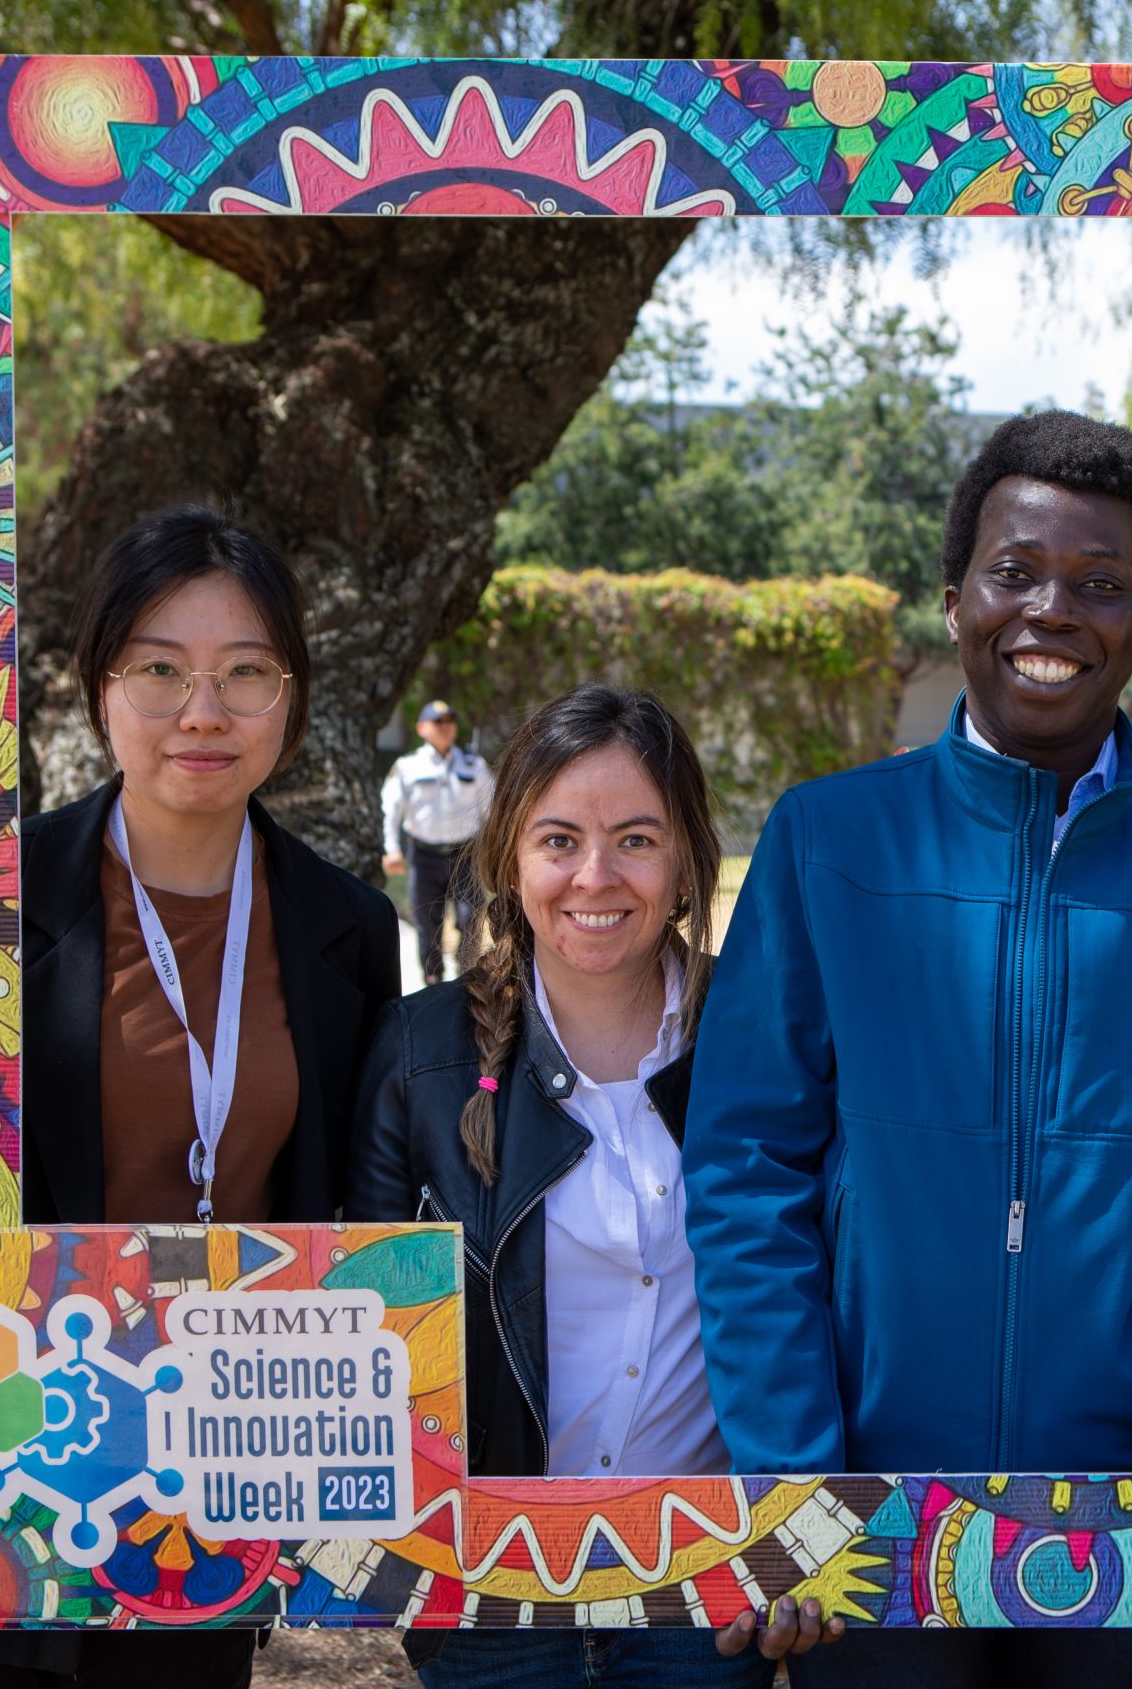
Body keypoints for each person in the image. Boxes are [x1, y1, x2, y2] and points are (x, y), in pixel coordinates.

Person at [682, 411, 1132, 1688]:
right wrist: (797, 1487)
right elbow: (747, 1177)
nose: (1050, 611)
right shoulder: (824, 842)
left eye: (1099, 587)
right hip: (870, 1528)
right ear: (956, 596)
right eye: (1014, 573)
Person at [0, 505, 403, 1687]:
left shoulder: (346, 931)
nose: (201, 711)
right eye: (159, 669)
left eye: (245, 674)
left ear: (292, 697)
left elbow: (342, 1223)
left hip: (180, 1519)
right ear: (99, 689)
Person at [349, 685, 835, 1686]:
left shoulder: (766, 1043)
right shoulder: (420, 1056)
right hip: (491, 1588)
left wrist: (800, 1531)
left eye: (637, 840)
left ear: (688, 860)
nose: (595, 876)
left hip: (703, 1584)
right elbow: (363, 1336)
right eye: (559, 839)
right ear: (509, 860)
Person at [382, 698, 495, 984]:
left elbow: (492, 810)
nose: (444, 728)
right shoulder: (408, 767)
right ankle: (433, 980)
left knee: (470, 919)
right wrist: (392, 848)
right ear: (422, 728)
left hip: (464, 855)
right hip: (424, 855)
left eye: (449, 722)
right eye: (437, 722)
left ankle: (466, 978)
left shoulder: (474, 765)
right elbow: (391, 810)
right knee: (427, 923)